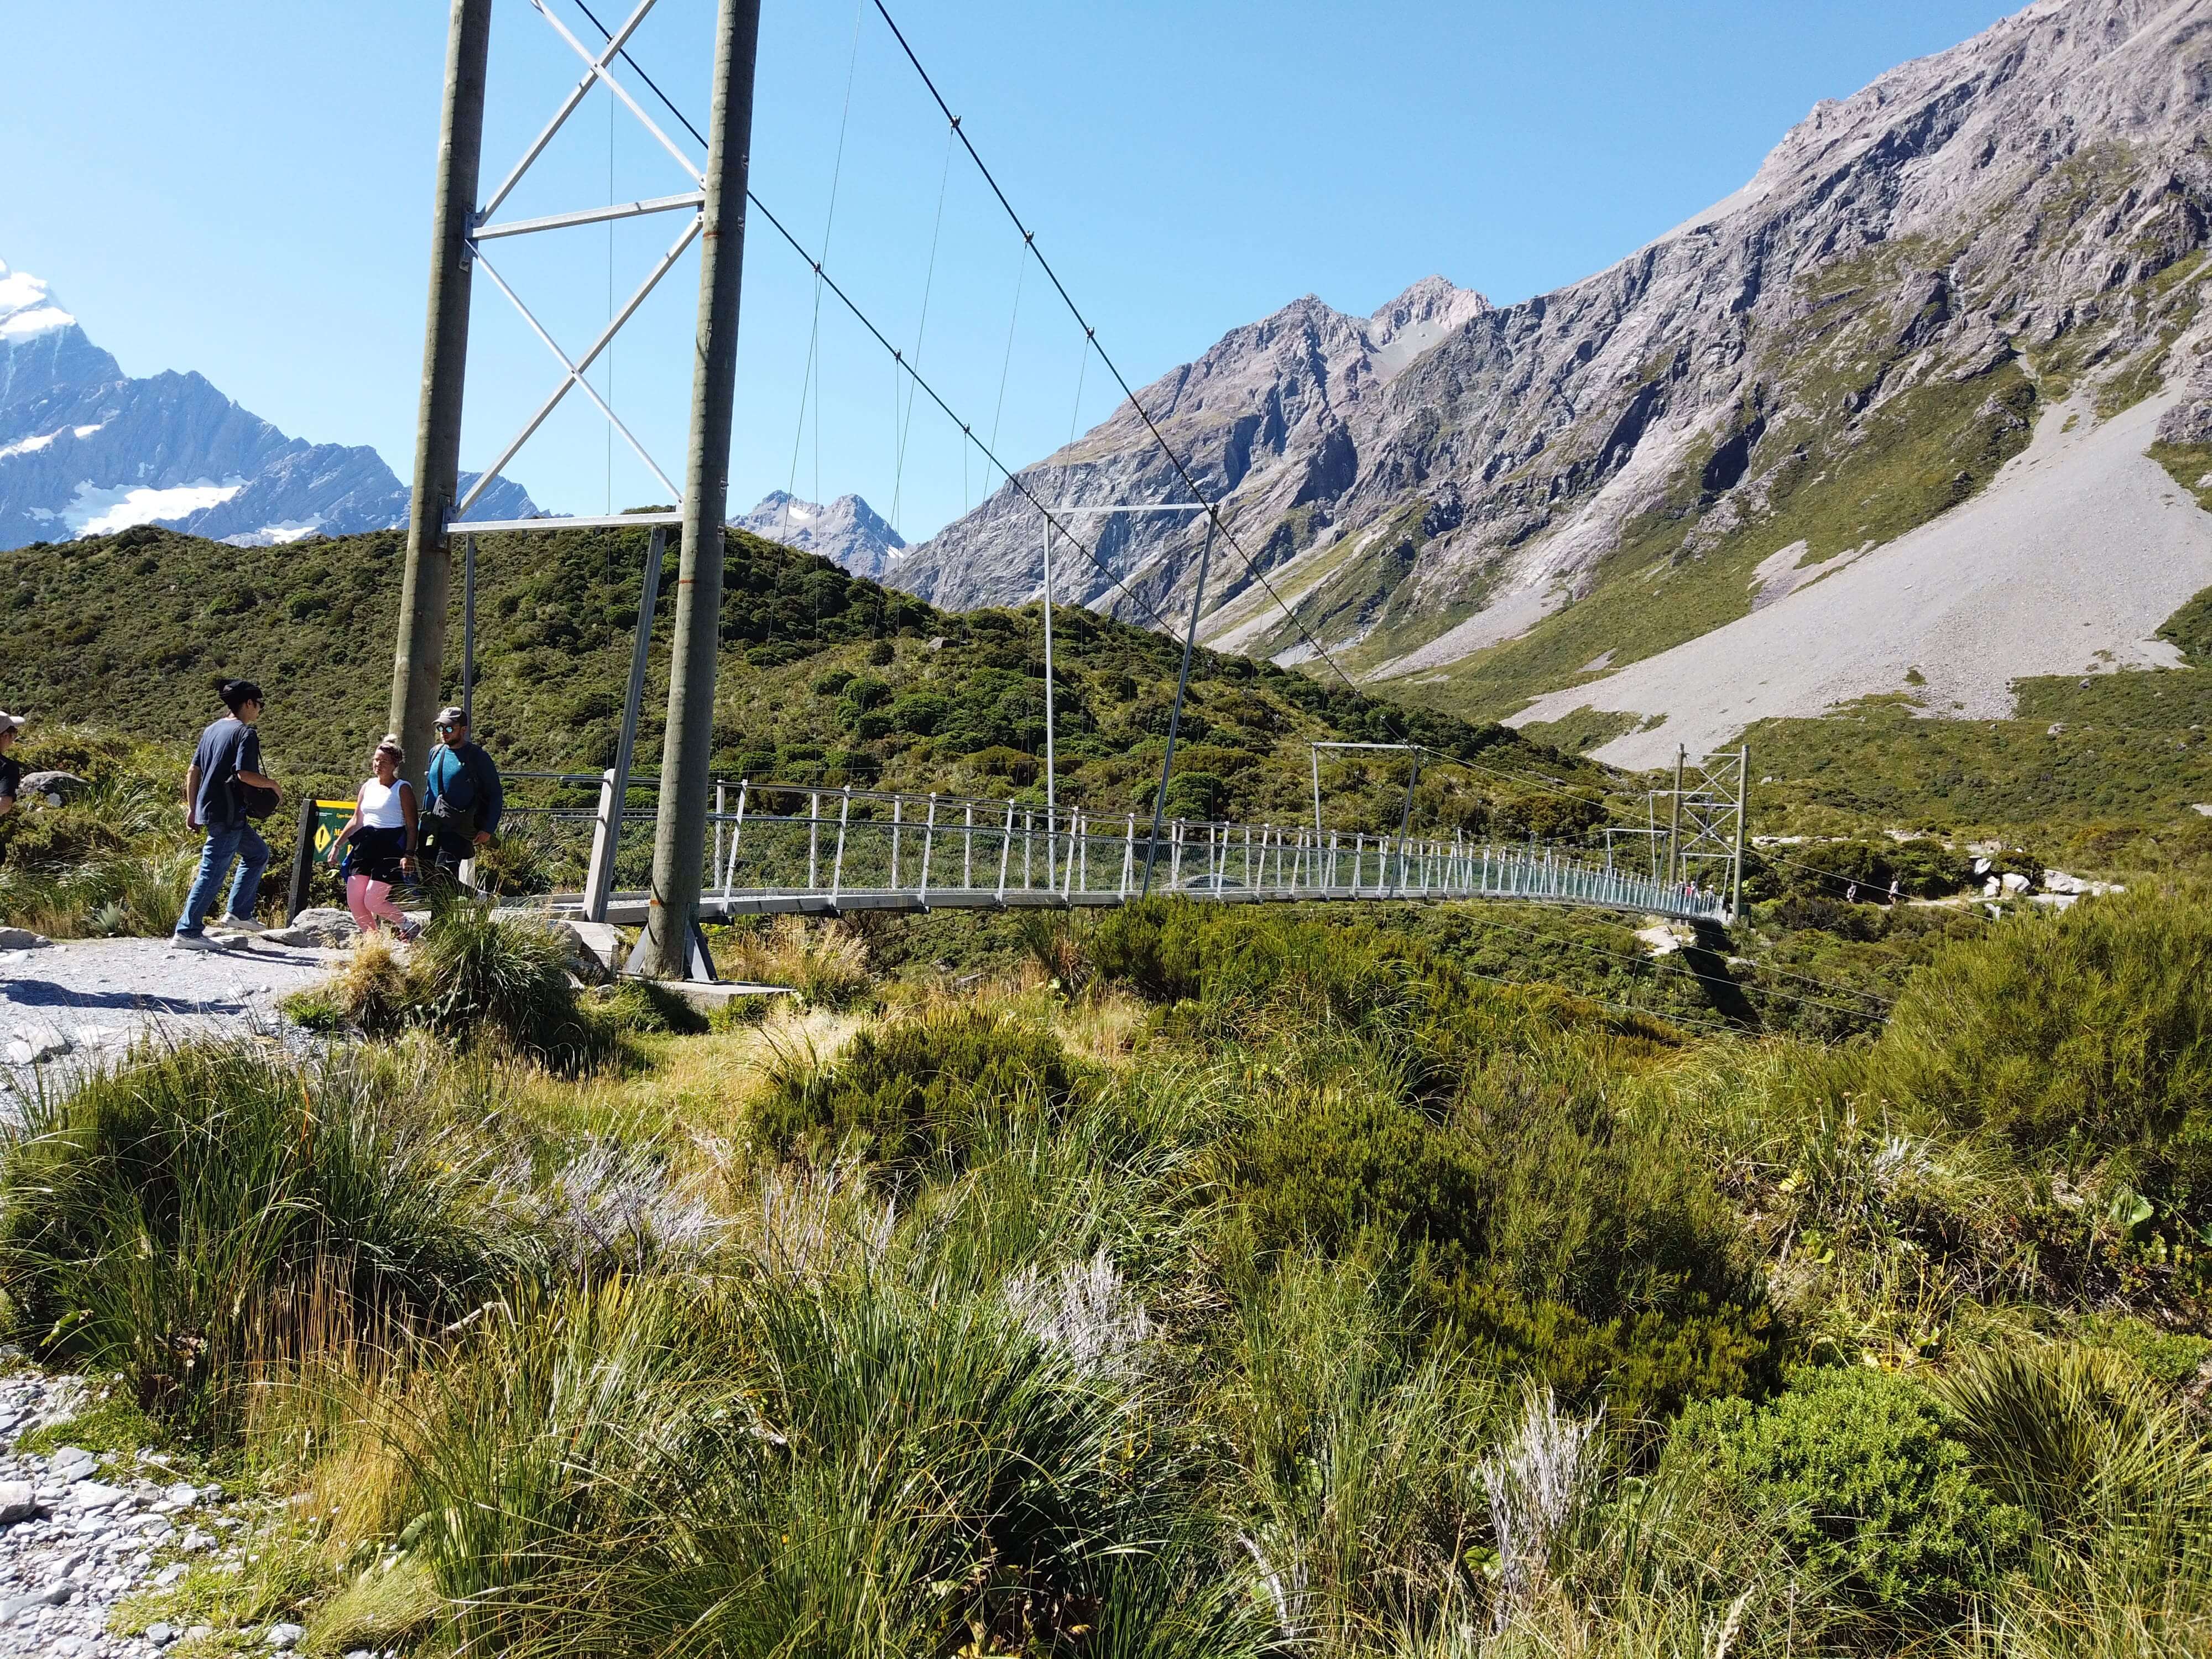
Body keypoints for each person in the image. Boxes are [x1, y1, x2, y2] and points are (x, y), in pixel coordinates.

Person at [173, 680, 281, 950]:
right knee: (212, 872)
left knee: (258, 854)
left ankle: (239, 913)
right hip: (230, 812)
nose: (260, 710)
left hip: (213, 810)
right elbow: (245, 774)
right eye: (260, 704)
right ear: (249, 703)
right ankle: (187, 931)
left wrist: (192, 808)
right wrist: (273, 785)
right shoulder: (245, 733)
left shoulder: (212, 730)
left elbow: (193, 772)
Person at [326, 736, 422, 940]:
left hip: (390, 847)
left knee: (373, 901)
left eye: (384, 761)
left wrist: (409, 854)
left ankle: (408, 924)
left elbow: (412, 826)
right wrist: (337, 845)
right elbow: (356, 820)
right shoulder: (368, 786)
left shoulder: (402, 788)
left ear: (395, 764)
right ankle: (373, 943)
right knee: (355, 901)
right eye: (376, 760)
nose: (378, 765)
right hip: (365, 845)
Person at [419, 706, 504, 883]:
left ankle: (477, 901)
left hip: (458, 828)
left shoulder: (477, 757)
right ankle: (481, 899)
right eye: (440, 728)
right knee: (428, 878)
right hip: (432, 827)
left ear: (463, 730)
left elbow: (495, 794)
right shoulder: (435, 752)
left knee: (443, 877)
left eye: (449, 728)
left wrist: (488, 829)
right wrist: (421, 826)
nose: (444, 732)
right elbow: (430, 789)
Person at [0, 710, 24, 818]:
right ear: (5, 735)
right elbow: (4, 804)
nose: (14, 738)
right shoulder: (7, 767)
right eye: (14, 732)